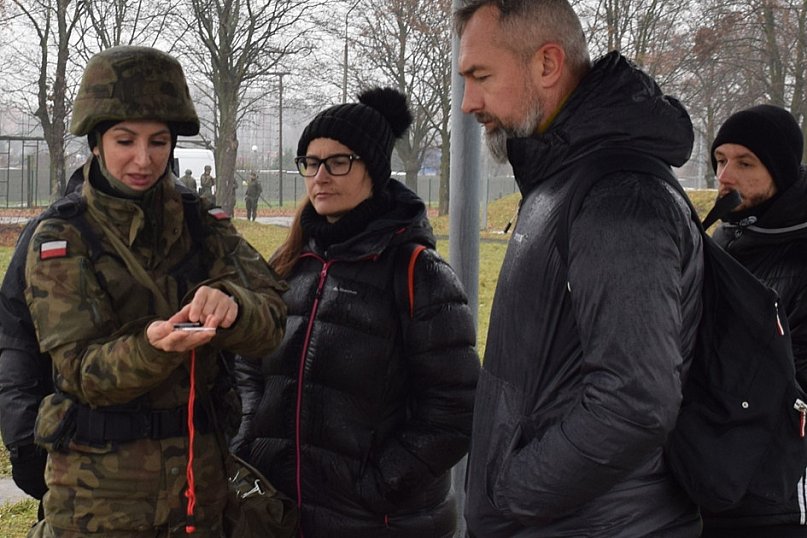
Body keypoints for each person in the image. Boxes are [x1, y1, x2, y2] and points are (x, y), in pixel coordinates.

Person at [455, 1, 704, 536]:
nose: (468, 102)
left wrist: (511, 491)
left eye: (481, 76)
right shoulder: (562, 180)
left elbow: (636, 402)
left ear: (547, 64)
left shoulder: (618, 197)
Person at [23, 45, 287, 537]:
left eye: (159, 142)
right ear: (96, 143)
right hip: (100, 501)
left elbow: (272, 319)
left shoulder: (202, 223)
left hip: (196, 490)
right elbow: (81, 371)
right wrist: (153, 346)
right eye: (125, 140)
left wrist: (234, 309)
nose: (143, 160)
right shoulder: (62, 238)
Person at [234, 87, 480, 537]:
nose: (320, 176)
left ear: (375, 169)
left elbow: (455, 407)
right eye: (310, 162)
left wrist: (379, 485)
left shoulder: (417, 273)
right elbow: (248, 364)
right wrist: (250, 441)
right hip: (280, 513)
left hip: (375, 521)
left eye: (338, 161)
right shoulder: (286, 264)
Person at [700, 104, 807, 537]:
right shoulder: (725, 236)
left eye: (745, 163)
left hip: (774, 493)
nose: (725, 176)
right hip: (709, 471)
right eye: (721, 160)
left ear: (779, 171)